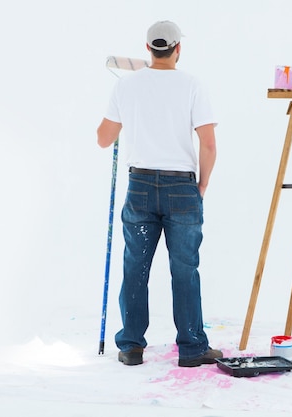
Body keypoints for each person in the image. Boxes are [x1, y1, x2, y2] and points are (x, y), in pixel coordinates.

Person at [96, 21, 222, 367]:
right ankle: (192, 347)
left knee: (135, 265)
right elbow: (208, 144)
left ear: (148, 48)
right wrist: (203, 184)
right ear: (178, 49)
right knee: (184, 268)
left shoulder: (127, 86)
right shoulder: (193, 85)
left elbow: (103, 138)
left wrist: (126, 114)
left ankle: (132, 346)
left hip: (140, 186)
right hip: (182, 187)